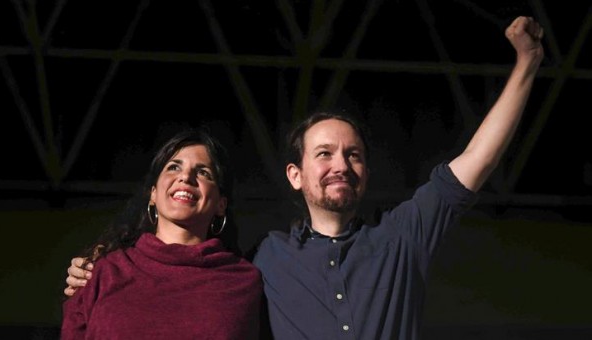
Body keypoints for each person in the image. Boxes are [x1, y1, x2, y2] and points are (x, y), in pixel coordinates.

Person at [64, 16, 544, 339]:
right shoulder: (261, 262)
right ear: (295, 175)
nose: (340, 164)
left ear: (365, 172)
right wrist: (97, 267)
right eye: (325, 153)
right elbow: (184, 272)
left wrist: (527, 64)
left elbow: (478, 159)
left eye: (352, 155)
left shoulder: (404, 237)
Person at [60, 129, 263, 340]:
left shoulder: (244, 281)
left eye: (203, 172)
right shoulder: (103, 271)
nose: (185, 177)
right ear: (153, 194)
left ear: (221, 204)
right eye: (173, 167)